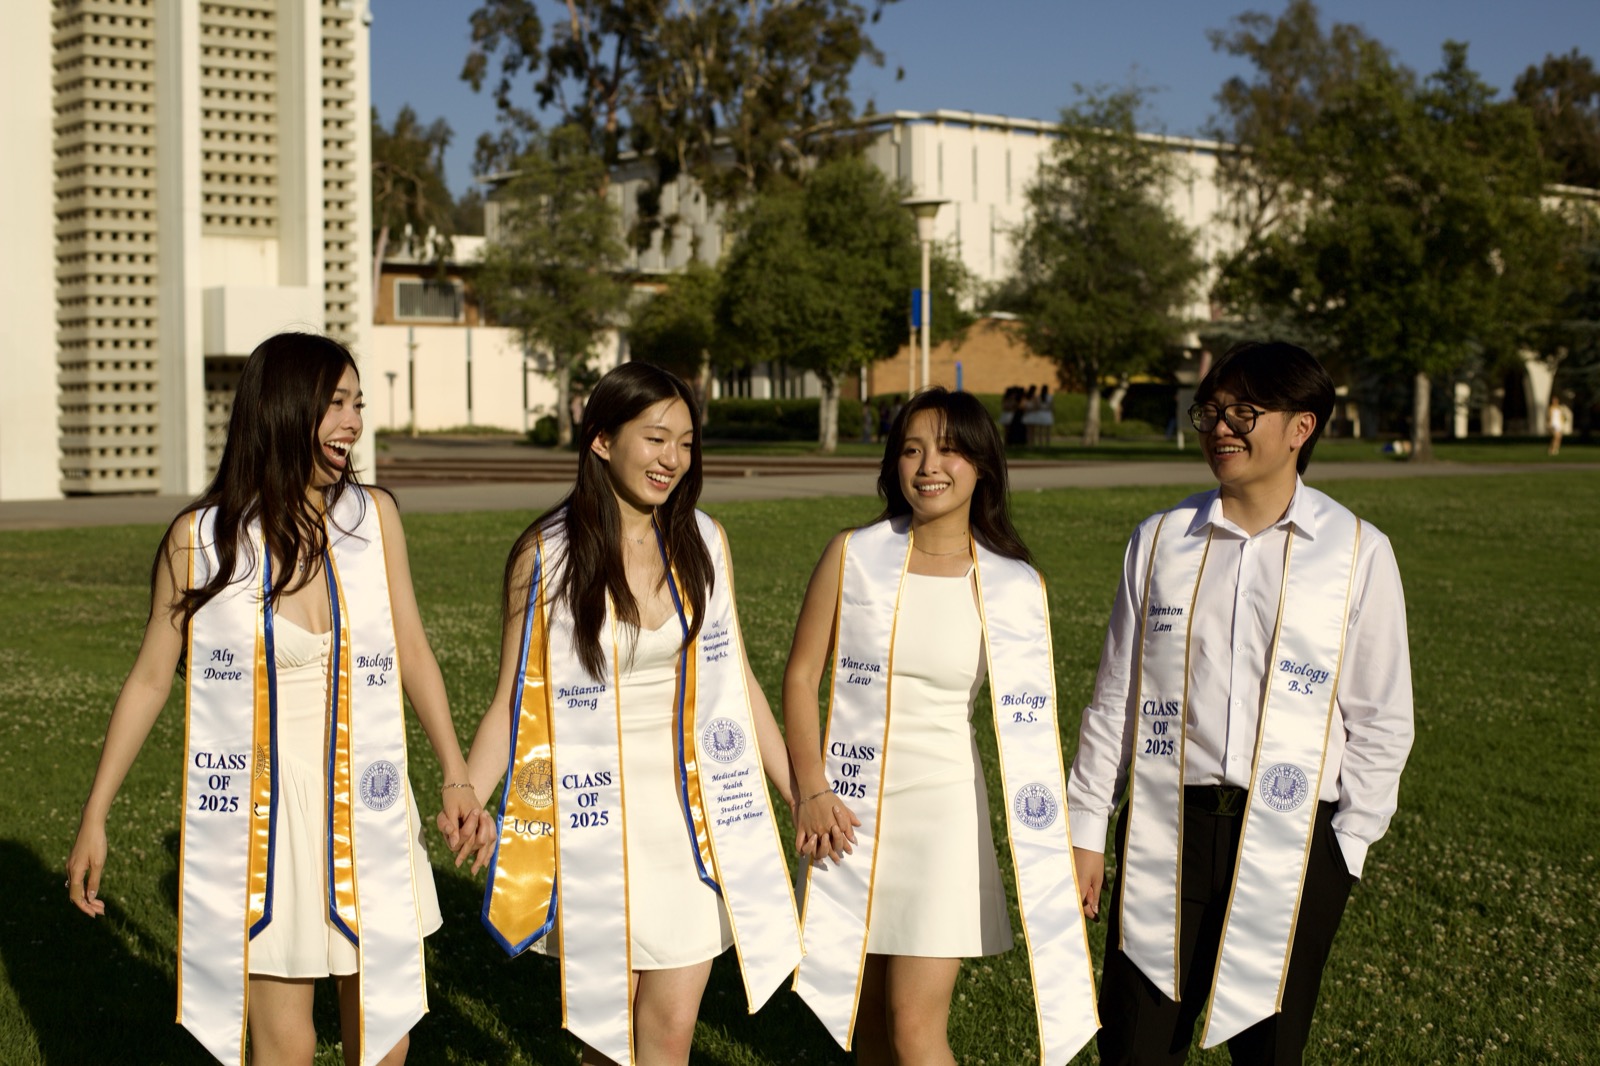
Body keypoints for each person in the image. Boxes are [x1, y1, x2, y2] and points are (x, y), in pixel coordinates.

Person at [65, 332, 474, 1066]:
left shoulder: (373, 519)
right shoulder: (203, 539)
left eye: (358, 403)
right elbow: (152, 679)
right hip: (265, 817)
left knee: (384, 1036)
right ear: (284, 410)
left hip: (370, 801)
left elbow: (413, 649)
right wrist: (96, 815)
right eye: (336, 404)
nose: (353, 422)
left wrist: (455, 772)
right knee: (281, 1045)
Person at [1068, 341, 1415, 1064]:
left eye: (1243, 412)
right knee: (1135, 1044)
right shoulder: (1161, 541)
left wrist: (1344, 849)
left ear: (1302, 427)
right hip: (1167, 832)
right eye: (1210, 411)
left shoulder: (1356, 552)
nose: (1220, 427)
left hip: (1292, 842)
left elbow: (1382, 720)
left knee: (1269, 1052)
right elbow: (1114, 698)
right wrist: (1084, 830)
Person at [446, 362, 801, 1066]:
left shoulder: (706, 541)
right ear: (602, 441)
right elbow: (511, 703)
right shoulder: (544, 556)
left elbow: (738, 681)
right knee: (605, 1045)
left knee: (669, 1033)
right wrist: (468, 794)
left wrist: (802, 793)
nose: (672, 459)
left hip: (689, 816)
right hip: (592, 822)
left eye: (687, 443)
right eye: (656, 438)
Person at [784, 388, 1097, 1065]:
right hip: (849, 809)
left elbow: (1032, 731)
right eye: (912, 449)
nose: (929, 465)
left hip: (943, 812)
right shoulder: (854, 554)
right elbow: (802, 676)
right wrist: (810, 787)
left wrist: (1058, 840)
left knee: (913, 1027)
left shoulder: (1013, 585)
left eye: (950, 448)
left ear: (982, 463)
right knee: (859, 1020)